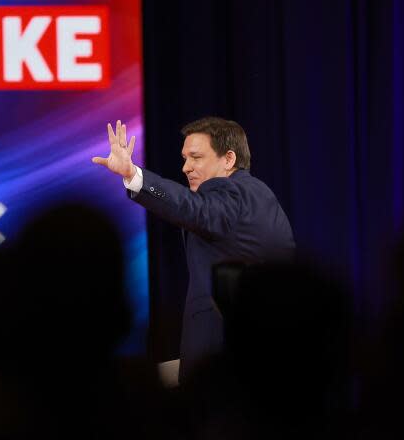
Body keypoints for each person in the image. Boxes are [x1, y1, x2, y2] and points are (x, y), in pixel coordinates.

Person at [92, 117, 295, 374]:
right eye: (185, 158)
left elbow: (194, 208)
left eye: (196, 157)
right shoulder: (261, 195)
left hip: (220, 358)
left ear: (229, 159)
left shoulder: (230, 192)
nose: (186, 168)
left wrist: (134, 175)